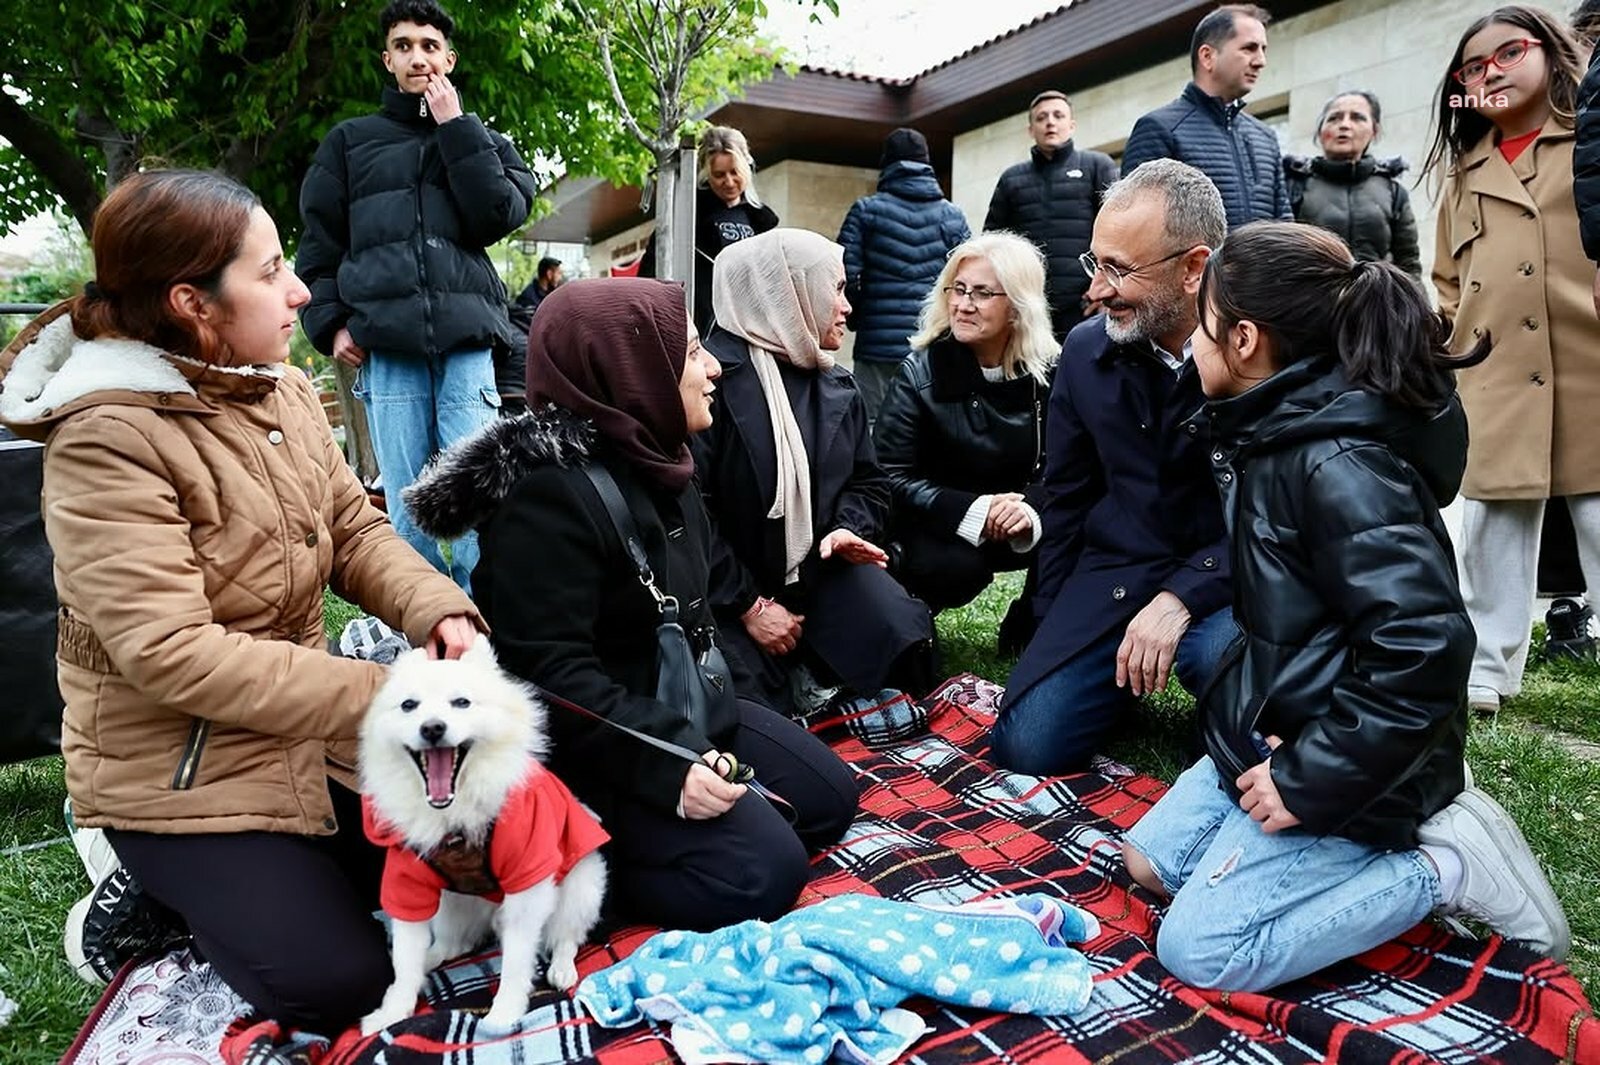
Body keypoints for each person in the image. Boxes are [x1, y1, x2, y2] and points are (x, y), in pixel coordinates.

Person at [0, 170, 482, 1032]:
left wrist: (438, 612)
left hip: (300, 731)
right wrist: (389, 696)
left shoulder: (280, 388)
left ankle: (267, 877)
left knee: (468, 878)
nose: (299, 290)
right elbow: (172, 652)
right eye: (268, 272)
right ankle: (145, 884)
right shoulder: (106, 438)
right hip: (178, 769)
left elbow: (354, 530)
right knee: (342, 983)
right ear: (193, 303)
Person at [1122, 220, 1569, 992]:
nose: (1190, 344)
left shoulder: (1337, 465)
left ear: (1245, 341)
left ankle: (1448, 864)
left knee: (1200, 952)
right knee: (1148, 864)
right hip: (1283, 722)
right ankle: (1294, 824)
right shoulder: (1273, 429)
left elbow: (1425, 646)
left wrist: (1309, 777)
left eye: (1202, 326)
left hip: (1363, 762)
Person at [403, 278, 858, 931]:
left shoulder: (659, 454)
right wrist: (672, 766)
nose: (713, 368)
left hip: (678, 703)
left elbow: (689, 615)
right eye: (692, 352)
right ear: (630, 369)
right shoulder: (546, 498)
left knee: (828, 798)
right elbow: (552, 680)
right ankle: (564, 876)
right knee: (765, 872)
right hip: (600, 748)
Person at [994, 159, 1235, 777]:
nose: (1096, 290)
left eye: (1118, 270)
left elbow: (1279, 517)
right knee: (1027, 746)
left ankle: (1225, 694)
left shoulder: (1258, 350)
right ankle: (1119, 682)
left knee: (1222, 672)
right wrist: (1056, 629)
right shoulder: (1083, 349)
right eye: (1094, 263)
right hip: (1118, 572)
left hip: (1231, 577)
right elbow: (1066, 495)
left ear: (1194, 268)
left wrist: (1183, 597)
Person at [296, 0, 536, 593]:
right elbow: (318, 243)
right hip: (387, 344)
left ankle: (492, 628)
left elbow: (499, 213)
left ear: (448, 59)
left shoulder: (481, 137)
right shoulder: (349, 143)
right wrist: (330, 325)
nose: (418, 57)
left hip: (467, 344)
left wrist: (456, 128)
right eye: (404, 46)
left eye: (430, 46)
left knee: (478, 492)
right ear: (388, 59)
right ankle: (425, 630)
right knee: (408, 503)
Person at [1424, 6, 1600, 716]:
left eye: (1506, 53)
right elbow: (1443, 282)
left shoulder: (1588, 144)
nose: (1488, 72)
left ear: (1552, 55)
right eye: (1471, 68)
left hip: (1588, 364)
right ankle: (1488, 667)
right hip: (1494, 377)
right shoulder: (1464, 174)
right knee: (1495, 526)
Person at [694, 229, 935, 716]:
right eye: (838, 289)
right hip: (725, 592)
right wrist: (751, 606)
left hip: (819, 573)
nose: (847, 308)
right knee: (755, 704)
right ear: (786, 291)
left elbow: (869, 482)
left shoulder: (835, 381)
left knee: (904, 641)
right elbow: (690, 513)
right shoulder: (709, 382)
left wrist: (848, 527)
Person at [872, 232, 1057, 655]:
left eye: (981, 293)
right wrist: (974, 510)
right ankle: (910, 621)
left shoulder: (1050, 373)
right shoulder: (920, 372)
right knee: (958, 567)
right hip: (936, 524)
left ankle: (1033, 627)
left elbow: (1067, 466)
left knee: (1082, 529)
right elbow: (886, 475)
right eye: (957, 289)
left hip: (1016, 520)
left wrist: (1027, 507)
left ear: (1017, 305)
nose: (963, 304)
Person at [837, 127, 971, 421]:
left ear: (887, 164)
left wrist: (857, 317)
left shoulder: (865, 211)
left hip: (876, 346)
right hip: (933, 341)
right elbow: (970, 278)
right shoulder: (953, 215)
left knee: (871, 427)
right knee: (932, 429)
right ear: (926, 164)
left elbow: (842, 273)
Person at [1121, 4, 1290, 229]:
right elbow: (1134, 225)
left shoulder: (1266, 138)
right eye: (1249, 48)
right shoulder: (1159, 129)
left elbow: (1286, 226)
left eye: (1263, 49)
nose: (1261, 61)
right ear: (1207, 56)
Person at [983, 91, 1119, 339]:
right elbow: (991, 244)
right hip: (1027, 307)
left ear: (1072, 124)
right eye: (1041, 117)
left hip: (1086, 305)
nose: (1050, 122)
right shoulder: (1011, 179)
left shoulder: (1098, 166)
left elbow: (1120, 230)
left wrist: (1107, 284)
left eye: (1058, 115)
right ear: (1030, 129)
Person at [641, 126, 780, 334]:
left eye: (735, 172)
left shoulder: (760, 219)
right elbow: (655, 263)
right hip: (699, 323)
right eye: (719, 175)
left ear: (747, 167)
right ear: (706, 174)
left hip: (746, 326)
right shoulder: (689, 213)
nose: (729, 182)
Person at [1283, 91, 1422, 279]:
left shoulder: (1393, 192)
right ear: (1320, 131)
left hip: (1375, 302)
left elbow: (1409, 264)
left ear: (1374, 131)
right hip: (1311, 303)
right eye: (1334, 118)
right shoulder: (1293, 185)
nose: (1344, 125)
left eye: (1357, 118)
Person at [501, 256, 565, 415]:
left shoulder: (553, 295)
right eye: (558, 273)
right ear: (549, 274)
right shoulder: (528, 298)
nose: (560, 277)